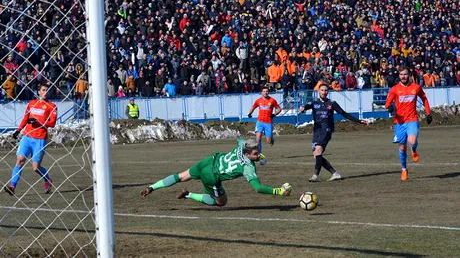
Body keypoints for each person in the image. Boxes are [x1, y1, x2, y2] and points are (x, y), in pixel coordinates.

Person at [140, 138, 292, 206]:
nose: (258, 155)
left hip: (208, 160)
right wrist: (278, 191)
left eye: (258, 152)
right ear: (246, 154)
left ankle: (151, 187)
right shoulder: (248, 167)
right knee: (220, 202)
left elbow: (239, 139)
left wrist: (259, 156)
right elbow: (258, 188)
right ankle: (188, 195)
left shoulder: (242, 146)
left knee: (181, 176)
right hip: (211, 176)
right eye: (255, 154)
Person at [299, 84, 368, 182]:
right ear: (318, 91)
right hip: (317, 130)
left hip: (327, 129)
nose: (324, 92)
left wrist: (359, 121)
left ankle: (315, 176)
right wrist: (303, 109)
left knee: (318, 151)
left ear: (328, 92)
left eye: (326, 90)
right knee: (316, 155)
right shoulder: (314, 103)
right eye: (322, 90)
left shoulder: (332, 103)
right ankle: (335, 174)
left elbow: (344, 114)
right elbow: (306, 106)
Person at [4, 84, 57, 195]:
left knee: (35, 167)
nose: (45, 91)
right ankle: (12, 185)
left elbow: (52, 123)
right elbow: (26, 118)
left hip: (40, 139)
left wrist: (38, 122)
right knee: (20, 160)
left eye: (47, 90)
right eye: (43, 89)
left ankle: (48, 179)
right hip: (27, 136)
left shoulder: (52, 106)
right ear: (39, 92)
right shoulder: (32, 104)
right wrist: (18, 130)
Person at [385, 66, 432, 181]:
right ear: (399, 76)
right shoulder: (395, 89)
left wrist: (428, 113)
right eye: (401, 74)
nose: (403, 76)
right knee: (402, 147)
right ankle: (404, 169)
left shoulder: (416, 87)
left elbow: (424, 99)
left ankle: (414, 150)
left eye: (405, 74)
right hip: (400, 122)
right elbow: (387, 103)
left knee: (412, 141)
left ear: (409, 75)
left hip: (412, 119)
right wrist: (390, 107)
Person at [247, 86, 281, 164]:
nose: (265, 92)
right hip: (260, 122)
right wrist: (250, 113)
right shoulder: (258, 101)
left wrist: (274, 114)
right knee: (258, 138)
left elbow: (279, 109)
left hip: (268, 122)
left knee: (268, 141)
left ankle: (271, 138)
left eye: (267, 91)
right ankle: (260, 155)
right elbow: (253, 107)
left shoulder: (272, 100)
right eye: (264, 91)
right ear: (262, 92)